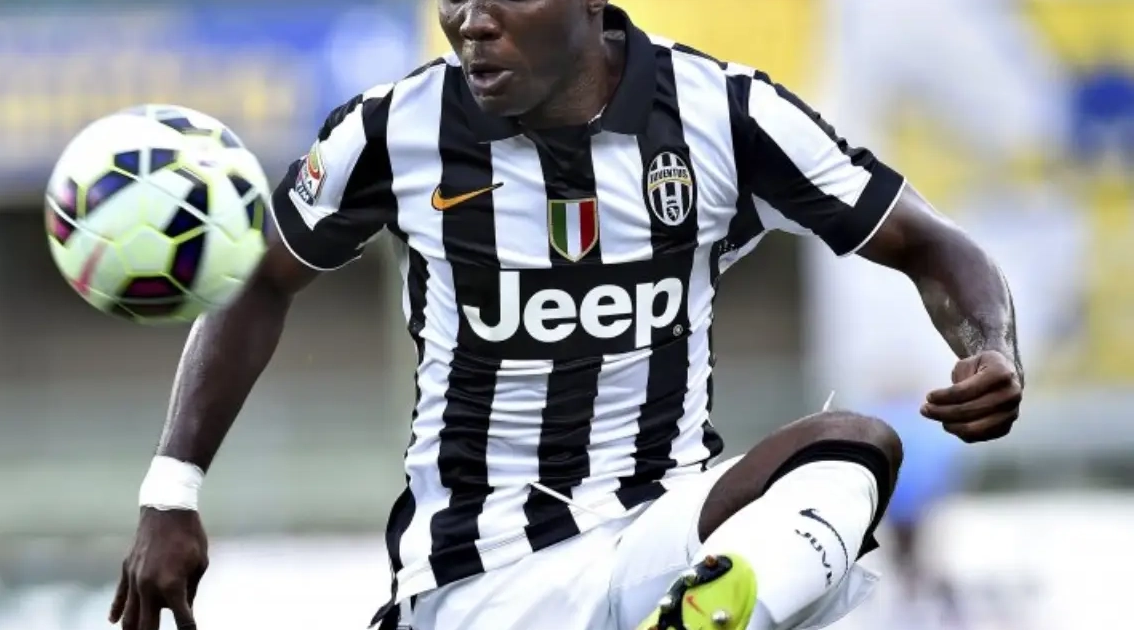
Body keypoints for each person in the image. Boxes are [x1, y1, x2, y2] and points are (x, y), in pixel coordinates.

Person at [108, 2, 1024, 630]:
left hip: (662, 539)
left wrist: (991, 347)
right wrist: (170, 492)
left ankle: (705, 613)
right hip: (476, 579)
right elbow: (258, 279)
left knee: (857, 447)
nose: (471, 20)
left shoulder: (722, 115)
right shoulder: (392, 132)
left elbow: (930, 242)